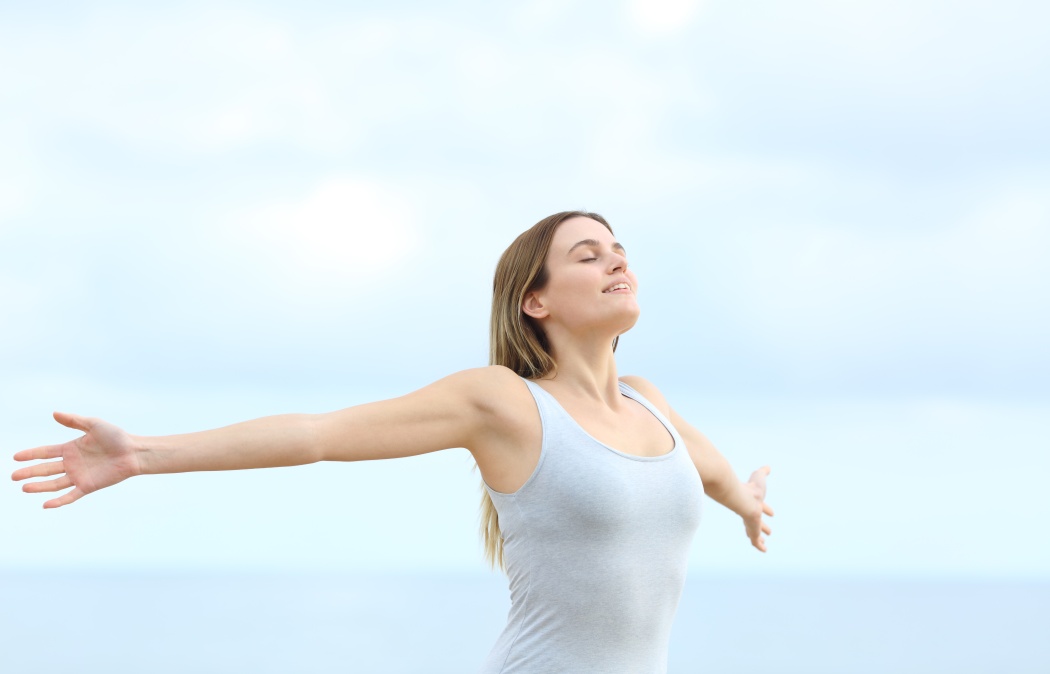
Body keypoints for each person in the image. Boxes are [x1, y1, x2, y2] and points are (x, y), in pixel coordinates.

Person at [12, 210, 773, 673]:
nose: (617, 260)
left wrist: (745, 504)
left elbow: (707, 471)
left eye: (619, 248)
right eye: (588, 253)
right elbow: (319, 436)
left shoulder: (650, 404)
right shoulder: (505, 404)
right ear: (535, 300)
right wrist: (143, 453)